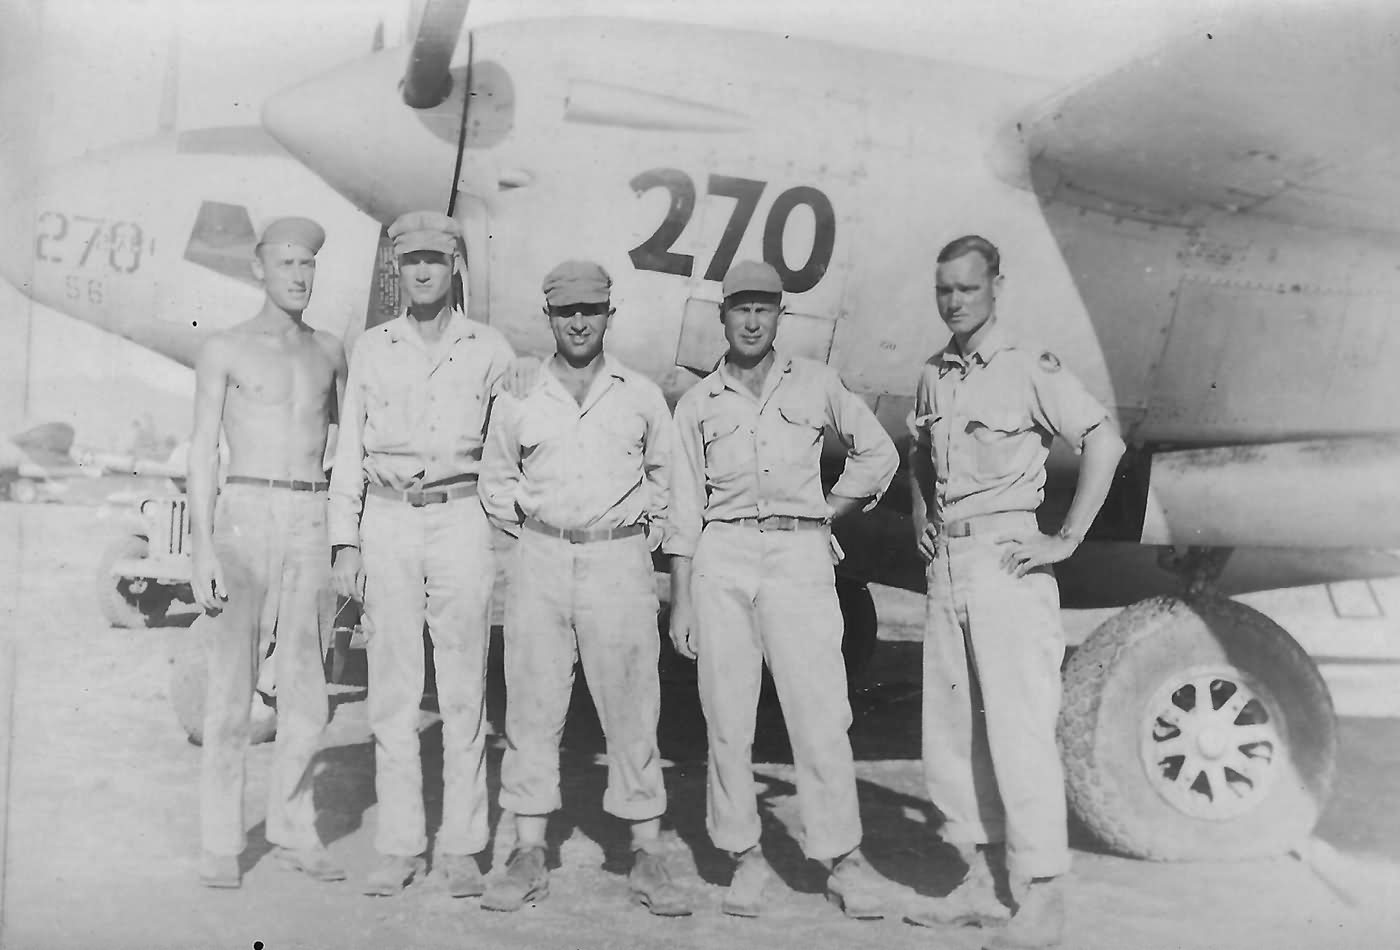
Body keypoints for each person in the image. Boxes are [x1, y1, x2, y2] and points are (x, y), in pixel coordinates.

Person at [903, 235, 1126, 949]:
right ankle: (976, 882)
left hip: (1007, 564)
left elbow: (1103, 440)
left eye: (967, 288)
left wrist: (1064, 539)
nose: (954, 301)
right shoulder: (935, 375)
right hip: (949, 567)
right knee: (952, 733)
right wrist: (919, 511)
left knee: (1019, 732)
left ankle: (1044, 892)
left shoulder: (1030, 366)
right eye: (944, 290)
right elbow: (918, 449)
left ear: (996, 285)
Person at [666, 260, 898, 919]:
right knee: (728, 719)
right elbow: (684, 512)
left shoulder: (818, 384)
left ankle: (843, 860)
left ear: (779, 316)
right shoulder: (697, 404)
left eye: (763, 308)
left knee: (821, 716)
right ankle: (745, 857)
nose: (751, 319)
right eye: (740, 307)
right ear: (723, 315)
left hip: (799, 555)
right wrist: (681, 600)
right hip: (724, 557)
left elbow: (878, 453)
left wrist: (829, 510)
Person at [478, 260, 691, 917]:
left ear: (609, 316)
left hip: (616, 563)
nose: (578, 322)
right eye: (566, 311)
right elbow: (495, 481)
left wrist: (637, 541)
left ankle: (647, 855)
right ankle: (526, 851)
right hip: (541, 557)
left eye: (590, 311)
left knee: (632, 710)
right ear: (548, 317)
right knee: (532, 709)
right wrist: (539, 532)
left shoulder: (640, 393)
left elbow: (668, 478)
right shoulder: (520, 393)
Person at [328, 210, 515, 898]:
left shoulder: (491, 349)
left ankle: (463, 846)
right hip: (387, 519)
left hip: (461, 517)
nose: (425, 272)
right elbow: (349, 448)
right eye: (412, 262)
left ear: (457, 265)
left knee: (464, 689)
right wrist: (344, 540)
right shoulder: (372, 347)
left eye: (437, 259)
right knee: (394, 693)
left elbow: (508, 448)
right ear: (397, 270)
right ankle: (402, 845)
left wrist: (505, 526)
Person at [188, 216, 348, 889]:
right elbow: (202, 449)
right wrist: (202, 547)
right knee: (230, 689)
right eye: (285, 264)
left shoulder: (332, 351)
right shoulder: (223, 348)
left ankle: (293, 828)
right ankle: (222, 839)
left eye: (307, 265)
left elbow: (346, 446)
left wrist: (345, 538)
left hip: (311, 514)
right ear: (259, 269)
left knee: (308, 691)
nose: (298, 277)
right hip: (246, 513)